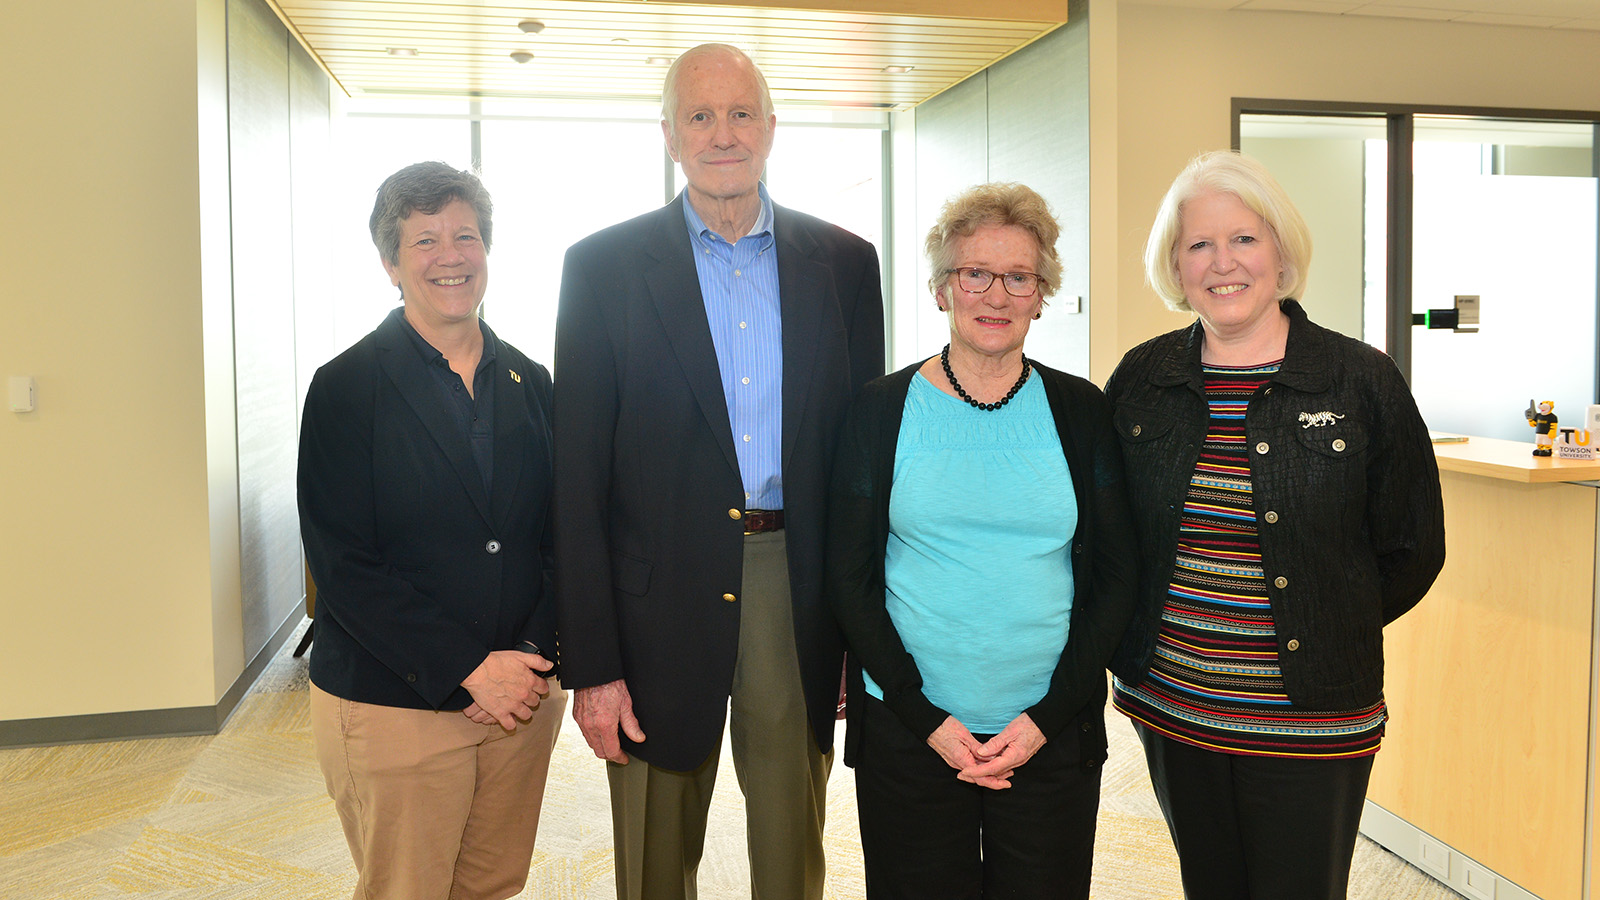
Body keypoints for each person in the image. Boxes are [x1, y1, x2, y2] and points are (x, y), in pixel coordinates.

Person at [552, 43, 884, 900]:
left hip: (796, 584)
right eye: (700, 115)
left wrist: (860, 631)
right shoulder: (601, 268)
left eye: (741, 113)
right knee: (656, 856)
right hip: (652, 596)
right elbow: (577, 478)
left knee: (789, 843)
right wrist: (591, 664)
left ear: (771, 127)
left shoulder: (845, 264)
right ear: (670, 134)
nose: (722, 132)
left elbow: (861, 470)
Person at [1106, 150, 1446, 900]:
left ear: (1282, 254)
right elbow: (1113, 536)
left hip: (1312, 721)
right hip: (1174, 707)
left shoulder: (1359, 381)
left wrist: (1325, 613)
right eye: (1199, 244)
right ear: (1176, 265)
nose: (1222, 262)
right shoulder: (1143, 379)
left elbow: (1412, 547)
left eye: (1245, 239)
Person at [824, 182, 1138, 900]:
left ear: (1040, 292)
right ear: (942, 289)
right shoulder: (878, 412)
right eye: (975, 273)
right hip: (910, 731)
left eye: (1019, 277)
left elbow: (1117, 575)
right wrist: (922, 715)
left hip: (1048, 732)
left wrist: (1048, 718)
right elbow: (849, 577)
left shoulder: (1082, 412)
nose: (996, 295)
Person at [297, 161, 564, 900]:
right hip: (396, 703)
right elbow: (344, 564)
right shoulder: (347, 387)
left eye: (466, 236)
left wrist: (530, 657)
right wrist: (467, 667)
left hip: (519, 700)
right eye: (424, 241)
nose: (451, 256)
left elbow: (560, 537)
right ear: (390, 263)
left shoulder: (532, 382)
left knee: (491, 886)